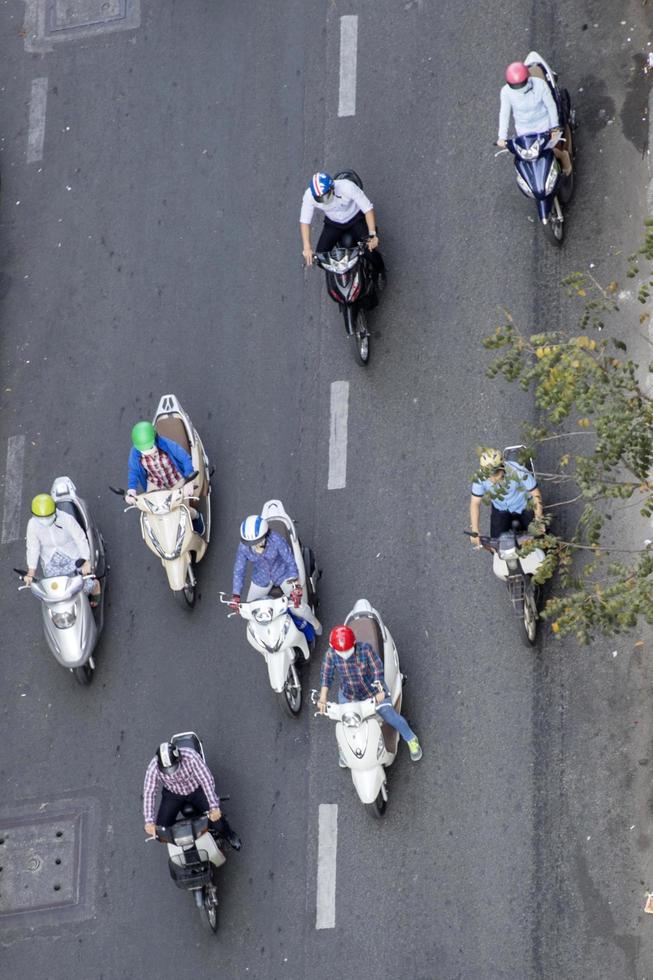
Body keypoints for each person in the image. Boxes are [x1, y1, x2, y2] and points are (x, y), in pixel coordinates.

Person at [317, 625, 422, 763]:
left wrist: (379, 691)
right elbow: (326, 675)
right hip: (348, 694)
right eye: (340, 651)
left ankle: (411, 738)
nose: (344, 654)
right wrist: (323, 697)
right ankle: (345, 752)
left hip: (372, 691)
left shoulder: (365, 650)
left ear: (354, 644)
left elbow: (377, 670)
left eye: (348, 649)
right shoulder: (331, 655)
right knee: (345, 724)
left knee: (390, 715)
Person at [231, 514, 322, 634]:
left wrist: (296, 584)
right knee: (249, 612)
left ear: (265, 536)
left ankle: (315, 624)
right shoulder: (244, 547)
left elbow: (290, 560)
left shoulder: (276, 540)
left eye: (256, 541)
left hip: (283, 574)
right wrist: (236, 595)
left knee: (298, 607)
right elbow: (239, 569)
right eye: (250, 543)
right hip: (261, 578)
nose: (253, 546)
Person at [143, 741, 241, 850]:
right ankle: (186, 839)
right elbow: (149, 791)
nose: (171, 774)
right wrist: (149, 821)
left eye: (173, 768)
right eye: (167, 771)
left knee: (219, 823)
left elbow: (206, 780)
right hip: (173, 793)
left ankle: (230, 835)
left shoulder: (191, 757)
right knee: (160, 832)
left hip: (196, 789)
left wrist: (214, 807)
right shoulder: (154, 766)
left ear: (179, 759)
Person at [125, 420, 204, 536]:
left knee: (182, 509)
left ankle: (196, 516)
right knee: (154, 511)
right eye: (143, 451)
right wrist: (131, 489)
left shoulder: (167, 444)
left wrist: (188, 482)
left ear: (155, 439)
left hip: (176, 481)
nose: (148, 453)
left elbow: (186, 459)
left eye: (150, 448)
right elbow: (134, 471)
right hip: (155, 483)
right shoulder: (135, 453)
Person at [299, 171, 385, 277]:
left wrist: (372, 234)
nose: (324, 201)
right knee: (321, 258)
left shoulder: (347, 187)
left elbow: (368, 209)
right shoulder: (309, 195)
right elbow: (305, 221)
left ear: (332, 188)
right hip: (334, 223)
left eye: (325, 196)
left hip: (355, 219)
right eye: (320, 199)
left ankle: (381, 272)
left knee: (370, 252)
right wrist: (307, 247)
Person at [24, 494, 101, 605]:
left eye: (48, 516)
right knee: (55, 592)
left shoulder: (66, 519)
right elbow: (32, 547)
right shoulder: (32, 525)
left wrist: (86, 560)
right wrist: (31, 572)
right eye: (41, 518)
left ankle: (95, 585)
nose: (45, 520)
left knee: (81, 587)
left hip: (72, 556)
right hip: (50, 560)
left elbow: (80, 538)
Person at [497, 62, 572, 176]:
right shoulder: (506, 92)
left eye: (521, 84)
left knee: (549, 149)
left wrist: (554, 127)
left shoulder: (540, 85)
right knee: (526, 155)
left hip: (543, 123)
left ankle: (563, 156)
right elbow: (504, 114)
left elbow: (551, 106)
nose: (519, 89)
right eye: (515, 86)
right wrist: (502, 137)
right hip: (524, 128)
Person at [469, 448, 544, 547]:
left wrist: (538, 520)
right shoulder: (479, 478)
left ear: (503, 467)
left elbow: (536, 494)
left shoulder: (517, 471)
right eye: (488, 476)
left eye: (496, 474)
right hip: (501, 509)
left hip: (524, 505)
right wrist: (475, 529)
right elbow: (475, 503)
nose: (493, 479)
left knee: (539, 538)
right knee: (496, 545)